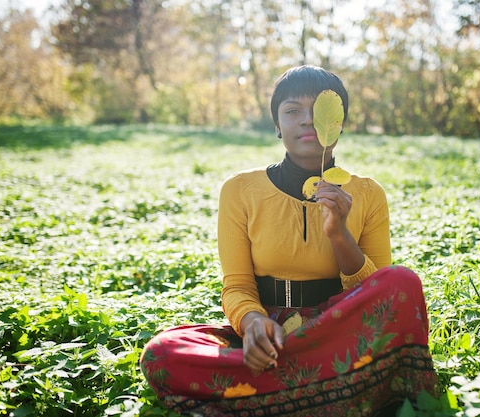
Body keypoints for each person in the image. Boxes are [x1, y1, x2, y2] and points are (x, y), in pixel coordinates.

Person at [140, 65, 438, 417]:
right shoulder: (240, 190)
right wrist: (252, 323)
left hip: (338, 330)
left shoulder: (368, 194)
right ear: (278, 126)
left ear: (339, 122)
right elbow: (236, 284)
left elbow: (378, 292)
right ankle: (336, 390)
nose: (308, 120)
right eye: (293, 110)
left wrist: (340, 235)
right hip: (270, 334)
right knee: (163, 351)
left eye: (321, 110)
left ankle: (268, 394)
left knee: (403, 280)